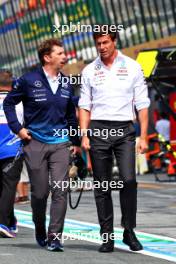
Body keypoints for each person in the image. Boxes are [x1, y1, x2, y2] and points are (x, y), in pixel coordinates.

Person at [3, 38, 80, 251]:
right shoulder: (28, 80)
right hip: (34, 142)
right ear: (47, 57)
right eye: (60, 53)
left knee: (60, 190)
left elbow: (70, 115)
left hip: (61, 144)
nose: (65, 57)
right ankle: (40, 227)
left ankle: (54, 237)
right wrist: (18, 128)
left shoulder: (66, 83)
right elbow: (9, 103)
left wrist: (76, 142)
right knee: (39, 193)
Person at [79, 27, 150, 252]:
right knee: (102, 185)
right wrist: (84, 134)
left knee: (128, 180)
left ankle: (129, 231)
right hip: (98, 129)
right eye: (98, 44)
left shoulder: (132, 66)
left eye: (105, 42)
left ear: (114, 41)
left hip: (125, 129)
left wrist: (144, 136)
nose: (102, 47)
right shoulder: (89, 70)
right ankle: (107, 236)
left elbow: (142, 103)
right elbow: (84, 105)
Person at [0, 70, 23, 238]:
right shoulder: (19, 102)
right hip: (12, 150)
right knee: (8, 187)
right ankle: (2, 222)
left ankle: (9, 220)